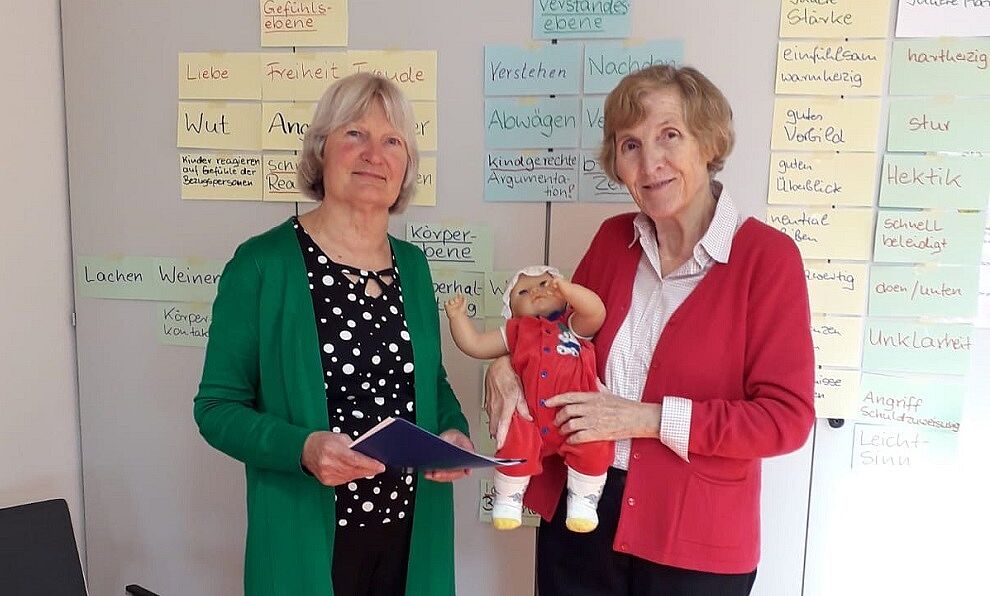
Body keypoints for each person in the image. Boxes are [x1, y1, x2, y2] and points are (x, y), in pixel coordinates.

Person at [485, 64, 815, 596]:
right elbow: (558, 341)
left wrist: (645, 418)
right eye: (630, 145)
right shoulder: (612, 241)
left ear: (709, 142)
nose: (649, 162)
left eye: (670, 135)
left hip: (695, 538)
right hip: (580, 513)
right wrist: (503, 367)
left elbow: (786, 419)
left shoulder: (767, 259)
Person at [194, 72, 472, 596]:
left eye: (392, 141)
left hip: (411, 536)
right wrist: (302, 448)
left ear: (407, 165)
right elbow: (216, 409)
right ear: (321, 150)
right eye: (355, 134)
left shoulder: (413, 267)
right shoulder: (262, 265)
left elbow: (430, 383)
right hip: (306, 539)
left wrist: (453, 432)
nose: (374, 154)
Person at [443, 266, 610, 533]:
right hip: (529, 417)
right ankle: (508, 500)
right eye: (522, 292)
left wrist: (568, 290)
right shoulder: (516, 331)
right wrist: (457, 318)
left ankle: (583, 502)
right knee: (512, 438)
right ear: (511, 309)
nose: (535, 291)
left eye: (545, 284)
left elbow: (596, 311)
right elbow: (475, 345)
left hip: (575, 415)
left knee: (593, 443)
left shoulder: (572, 325)